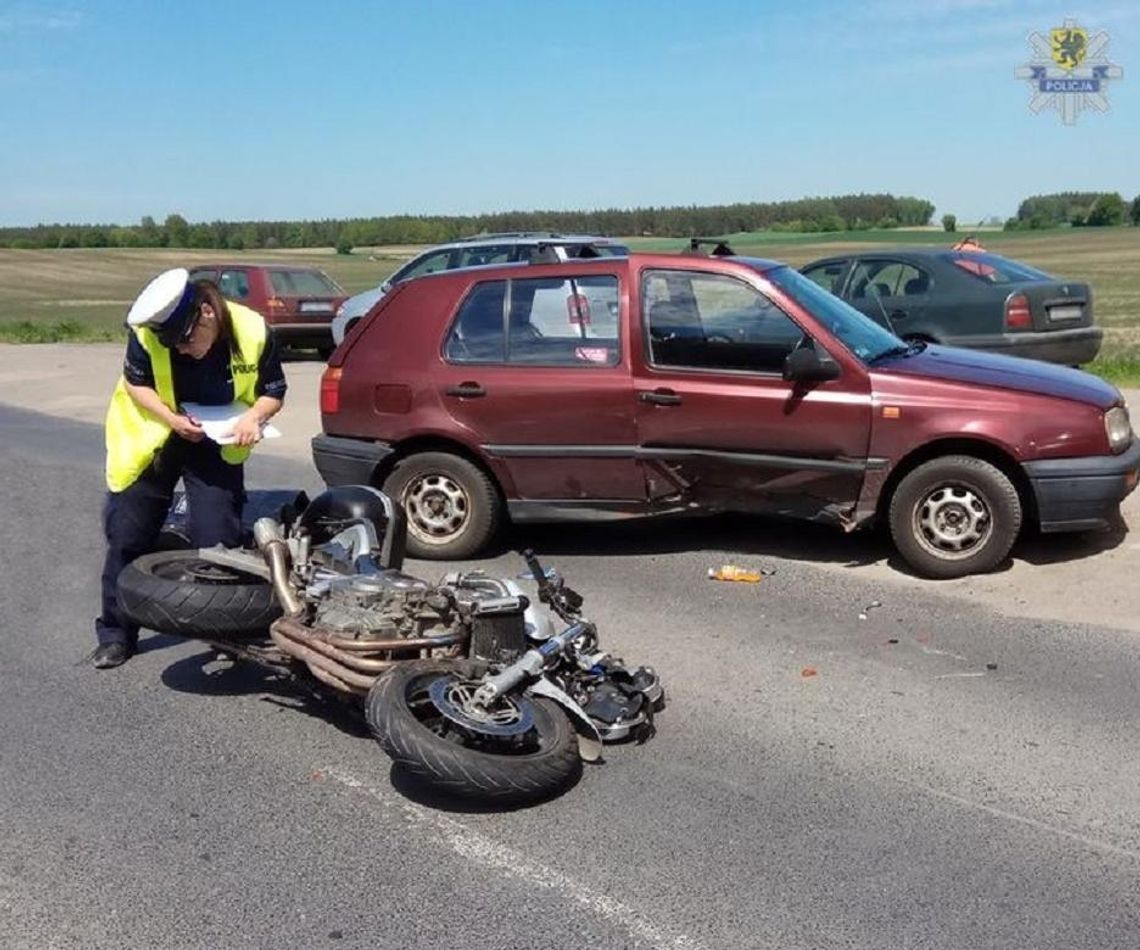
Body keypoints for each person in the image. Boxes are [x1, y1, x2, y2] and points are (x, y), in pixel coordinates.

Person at [92, 268, 287, 668]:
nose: (180, 350)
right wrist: (170, 418)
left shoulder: (254, 330)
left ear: (207, 314)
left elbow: (273, 391)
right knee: (128, 536)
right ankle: (116, 634)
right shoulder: (148, 332)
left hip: (216, 440)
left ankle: (226, 629)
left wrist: (253, 418)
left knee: (220, 538)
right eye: (173, 344)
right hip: (157, 436)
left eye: (186, 340)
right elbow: (135, 382)